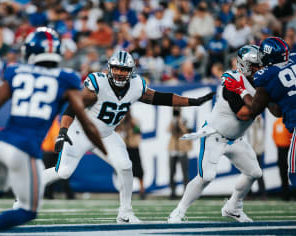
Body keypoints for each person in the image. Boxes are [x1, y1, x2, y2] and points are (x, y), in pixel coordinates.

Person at [0, 27, 106, 236]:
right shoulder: (66, 78)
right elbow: (86, 122)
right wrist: (105, 150)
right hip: (25, 149)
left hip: (2, 144)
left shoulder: (16, 71)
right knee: (28, 210)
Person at [43, 50, 214, 224]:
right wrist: (63, 130)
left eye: (124, 70)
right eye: (116, 68)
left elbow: (160, 98)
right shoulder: (99, 84)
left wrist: (192, 102)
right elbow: (74, 106)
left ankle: (125, 213)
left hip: (106, 134)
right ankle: (29, 189)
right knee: (63, 172)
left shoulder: (136, 86)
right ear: (109, 68)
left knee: (125, 166)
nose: (119, 72)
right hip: (81, 132)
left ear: (131, 72)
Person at [168, 45, 275, 223]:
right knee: (206, 177)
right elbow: (244, 114)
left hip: (236, 139)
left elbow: (274, 109)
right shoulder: (232, 81)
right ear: (245, 65)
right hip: (215, 135)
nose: (260, 68)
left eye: (261, 65)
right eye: (256, 65)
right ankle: (178, 211)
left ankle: (233, 207)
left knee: (254, 173)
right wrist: (255, 96)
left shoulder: (263, 82)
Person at [224, 37, 296, 187]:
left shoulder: (266, 76)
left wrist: (241, 90)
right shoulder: (294, 59)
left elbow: (255, 110)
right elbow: (277, 109)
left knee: (294, 174)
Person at [116, 112, 145, 200]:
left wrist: (132, 123)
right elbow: (116, 130)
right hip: (125, 147)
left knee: (138, 169)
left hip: (134, 146)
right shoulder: (122, 121)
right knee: (123, 169)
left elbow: (138, 130)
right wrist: (121, 122)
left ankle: (142, 190)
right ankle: (123, 191)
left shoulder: (135, 120)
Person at [167, 107, 192, 199]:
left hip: (182, 148)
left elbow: (186, 131)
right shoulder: (172, 121)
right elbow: (168, 130)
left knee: (185, 172)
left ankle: (186, 192)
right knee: (172, 172)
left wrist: (180, 122)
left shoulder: (185, 120)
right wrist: (174, 121)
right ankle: (172, 191)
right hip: (173, 148)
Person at [272, 117, 293, 200]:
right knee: (282, 172)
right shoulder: (277, 122)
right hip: (280, 149)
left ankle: (293, 193)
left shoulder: (288, 121)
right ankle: (285, 194)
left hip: (288, 148)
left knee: (291, 171)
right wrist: (278, 144)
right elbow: (274, 135)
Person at [247, 116, 266, 198]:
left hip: (257, 152)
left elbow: (259, 135)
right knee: (248, 173)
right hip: (250, 151)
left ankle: (263, 193)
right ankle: (248, 193)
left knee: (259, 173)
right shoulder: (249, 121)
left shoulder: (260, 121)